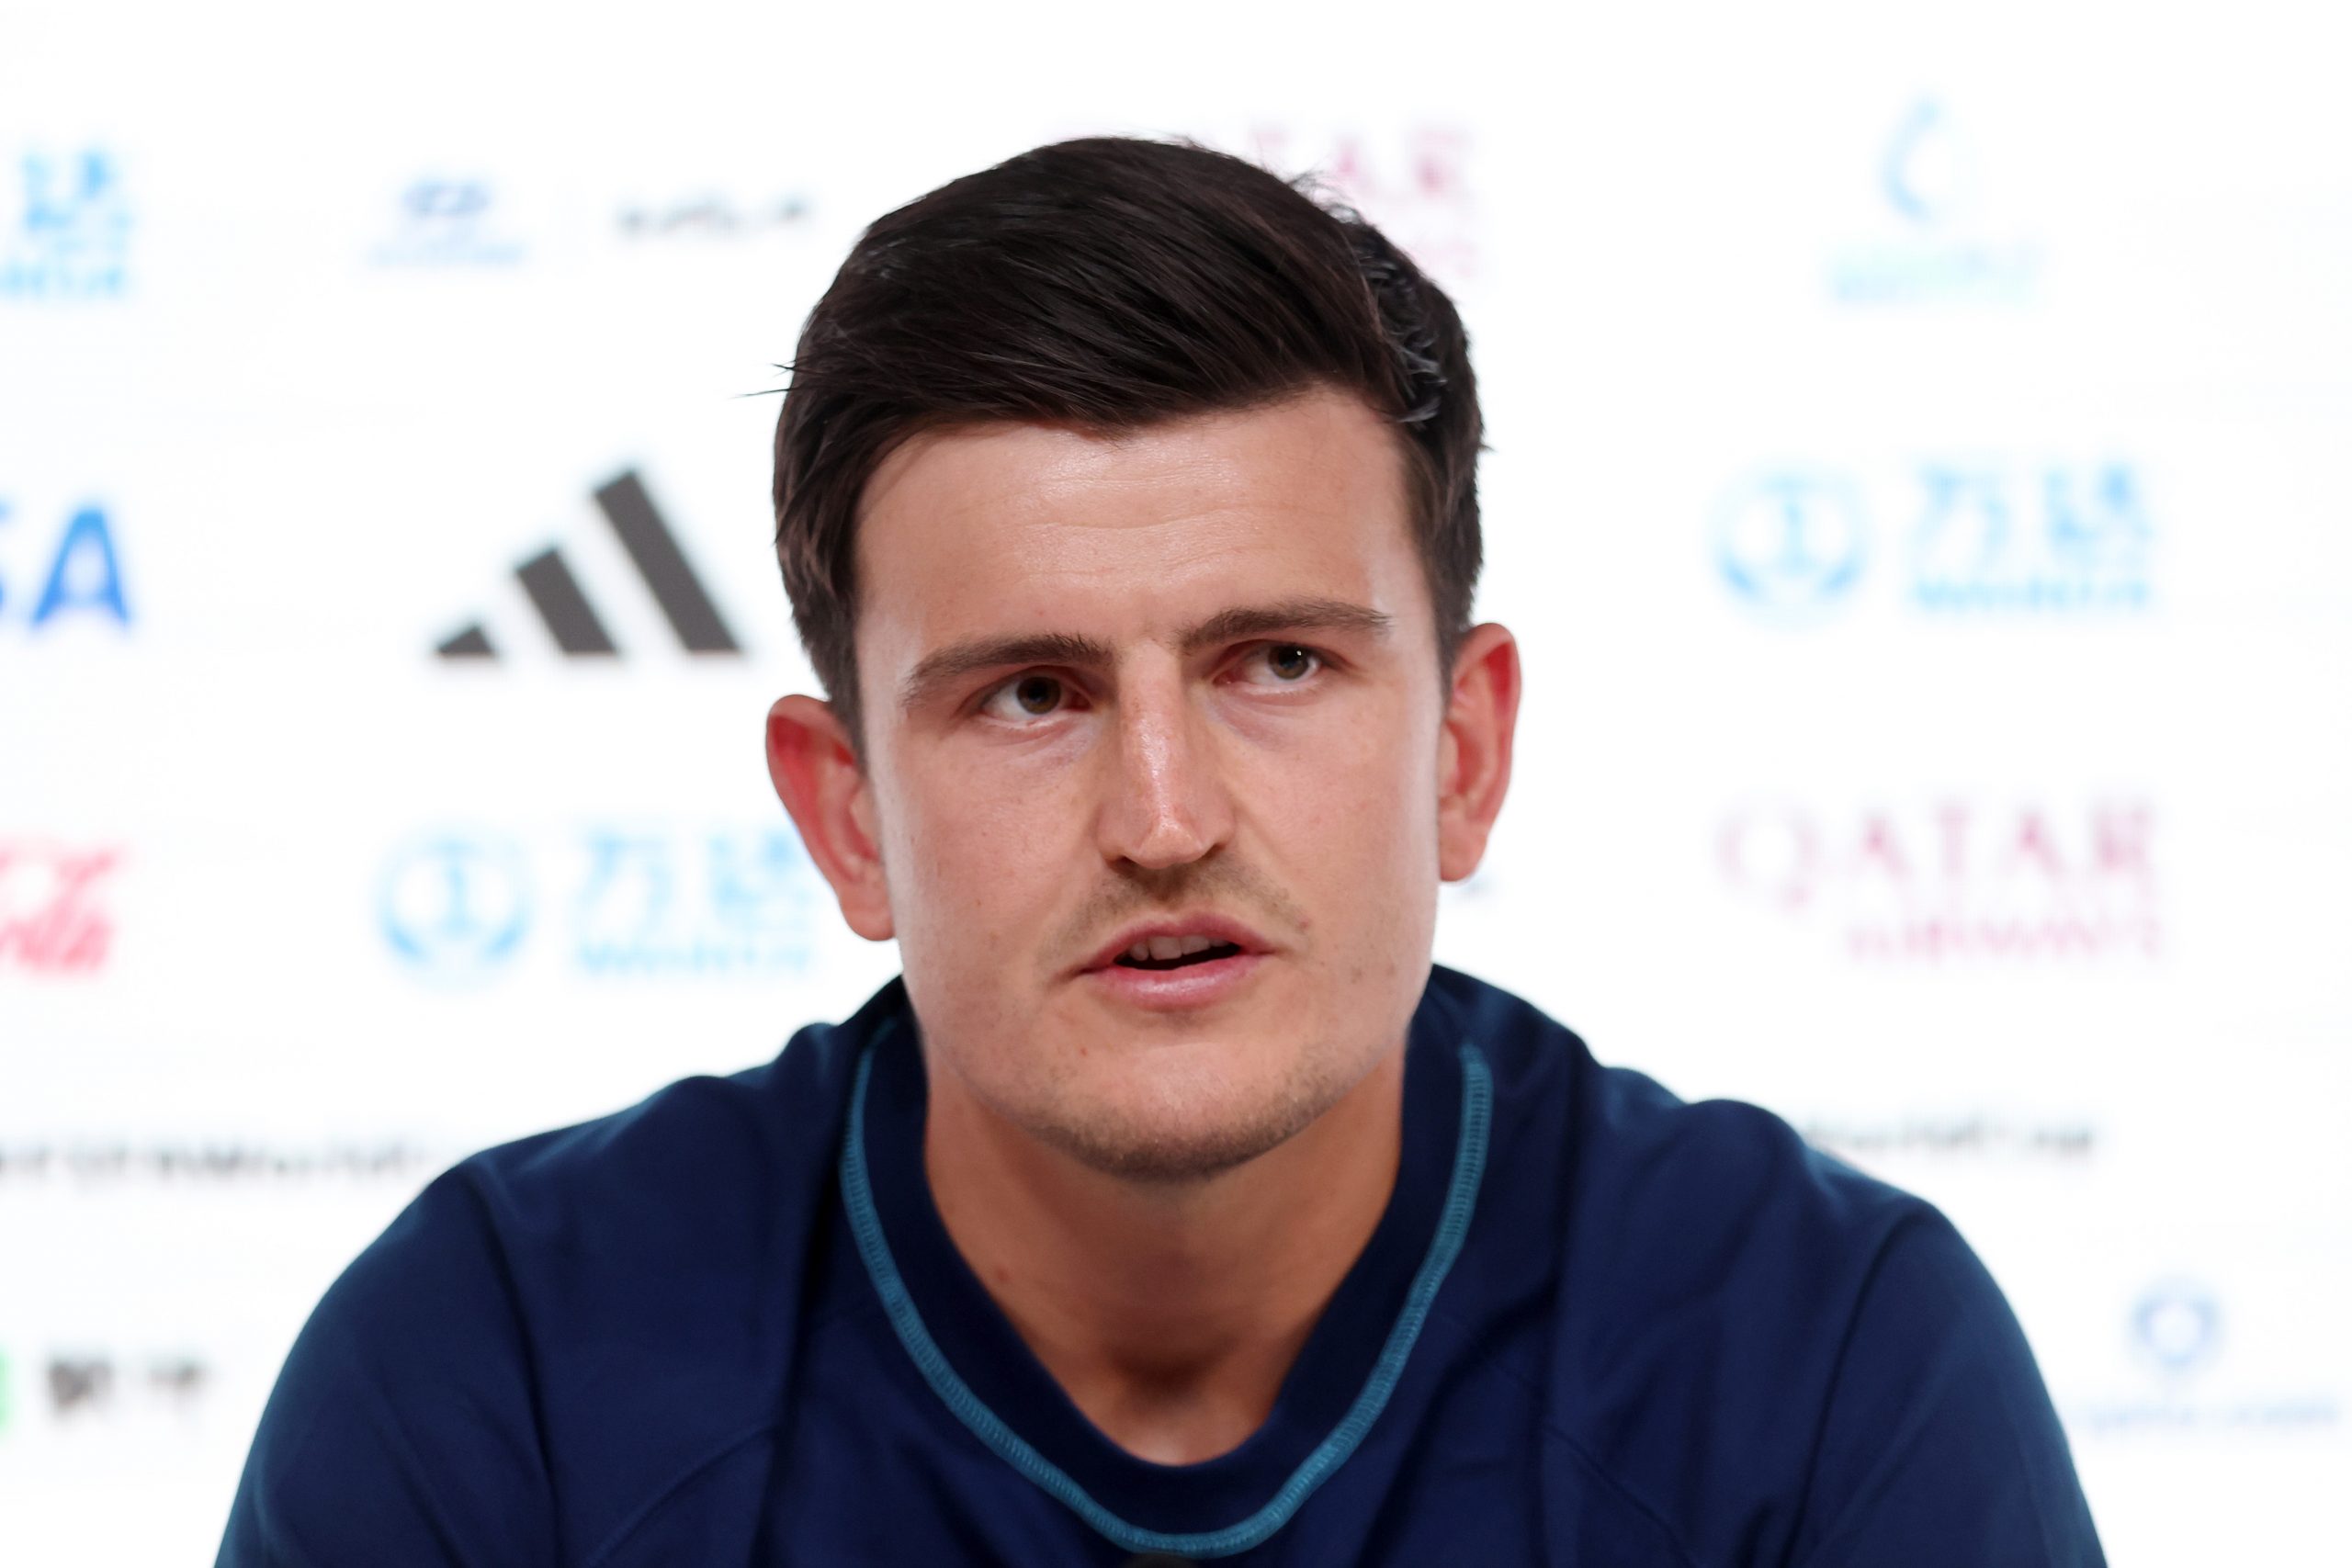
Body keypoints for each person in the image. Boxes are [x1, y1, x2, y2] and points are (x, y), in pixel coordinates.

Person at [218, 136, 2105, 1565]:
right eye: (1028, 693)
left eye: (1273, 662)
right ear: (845, 811)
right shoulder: (504, 1374)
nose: (1162, 814)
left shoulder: (1822, 1364)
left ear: (1461, 748)